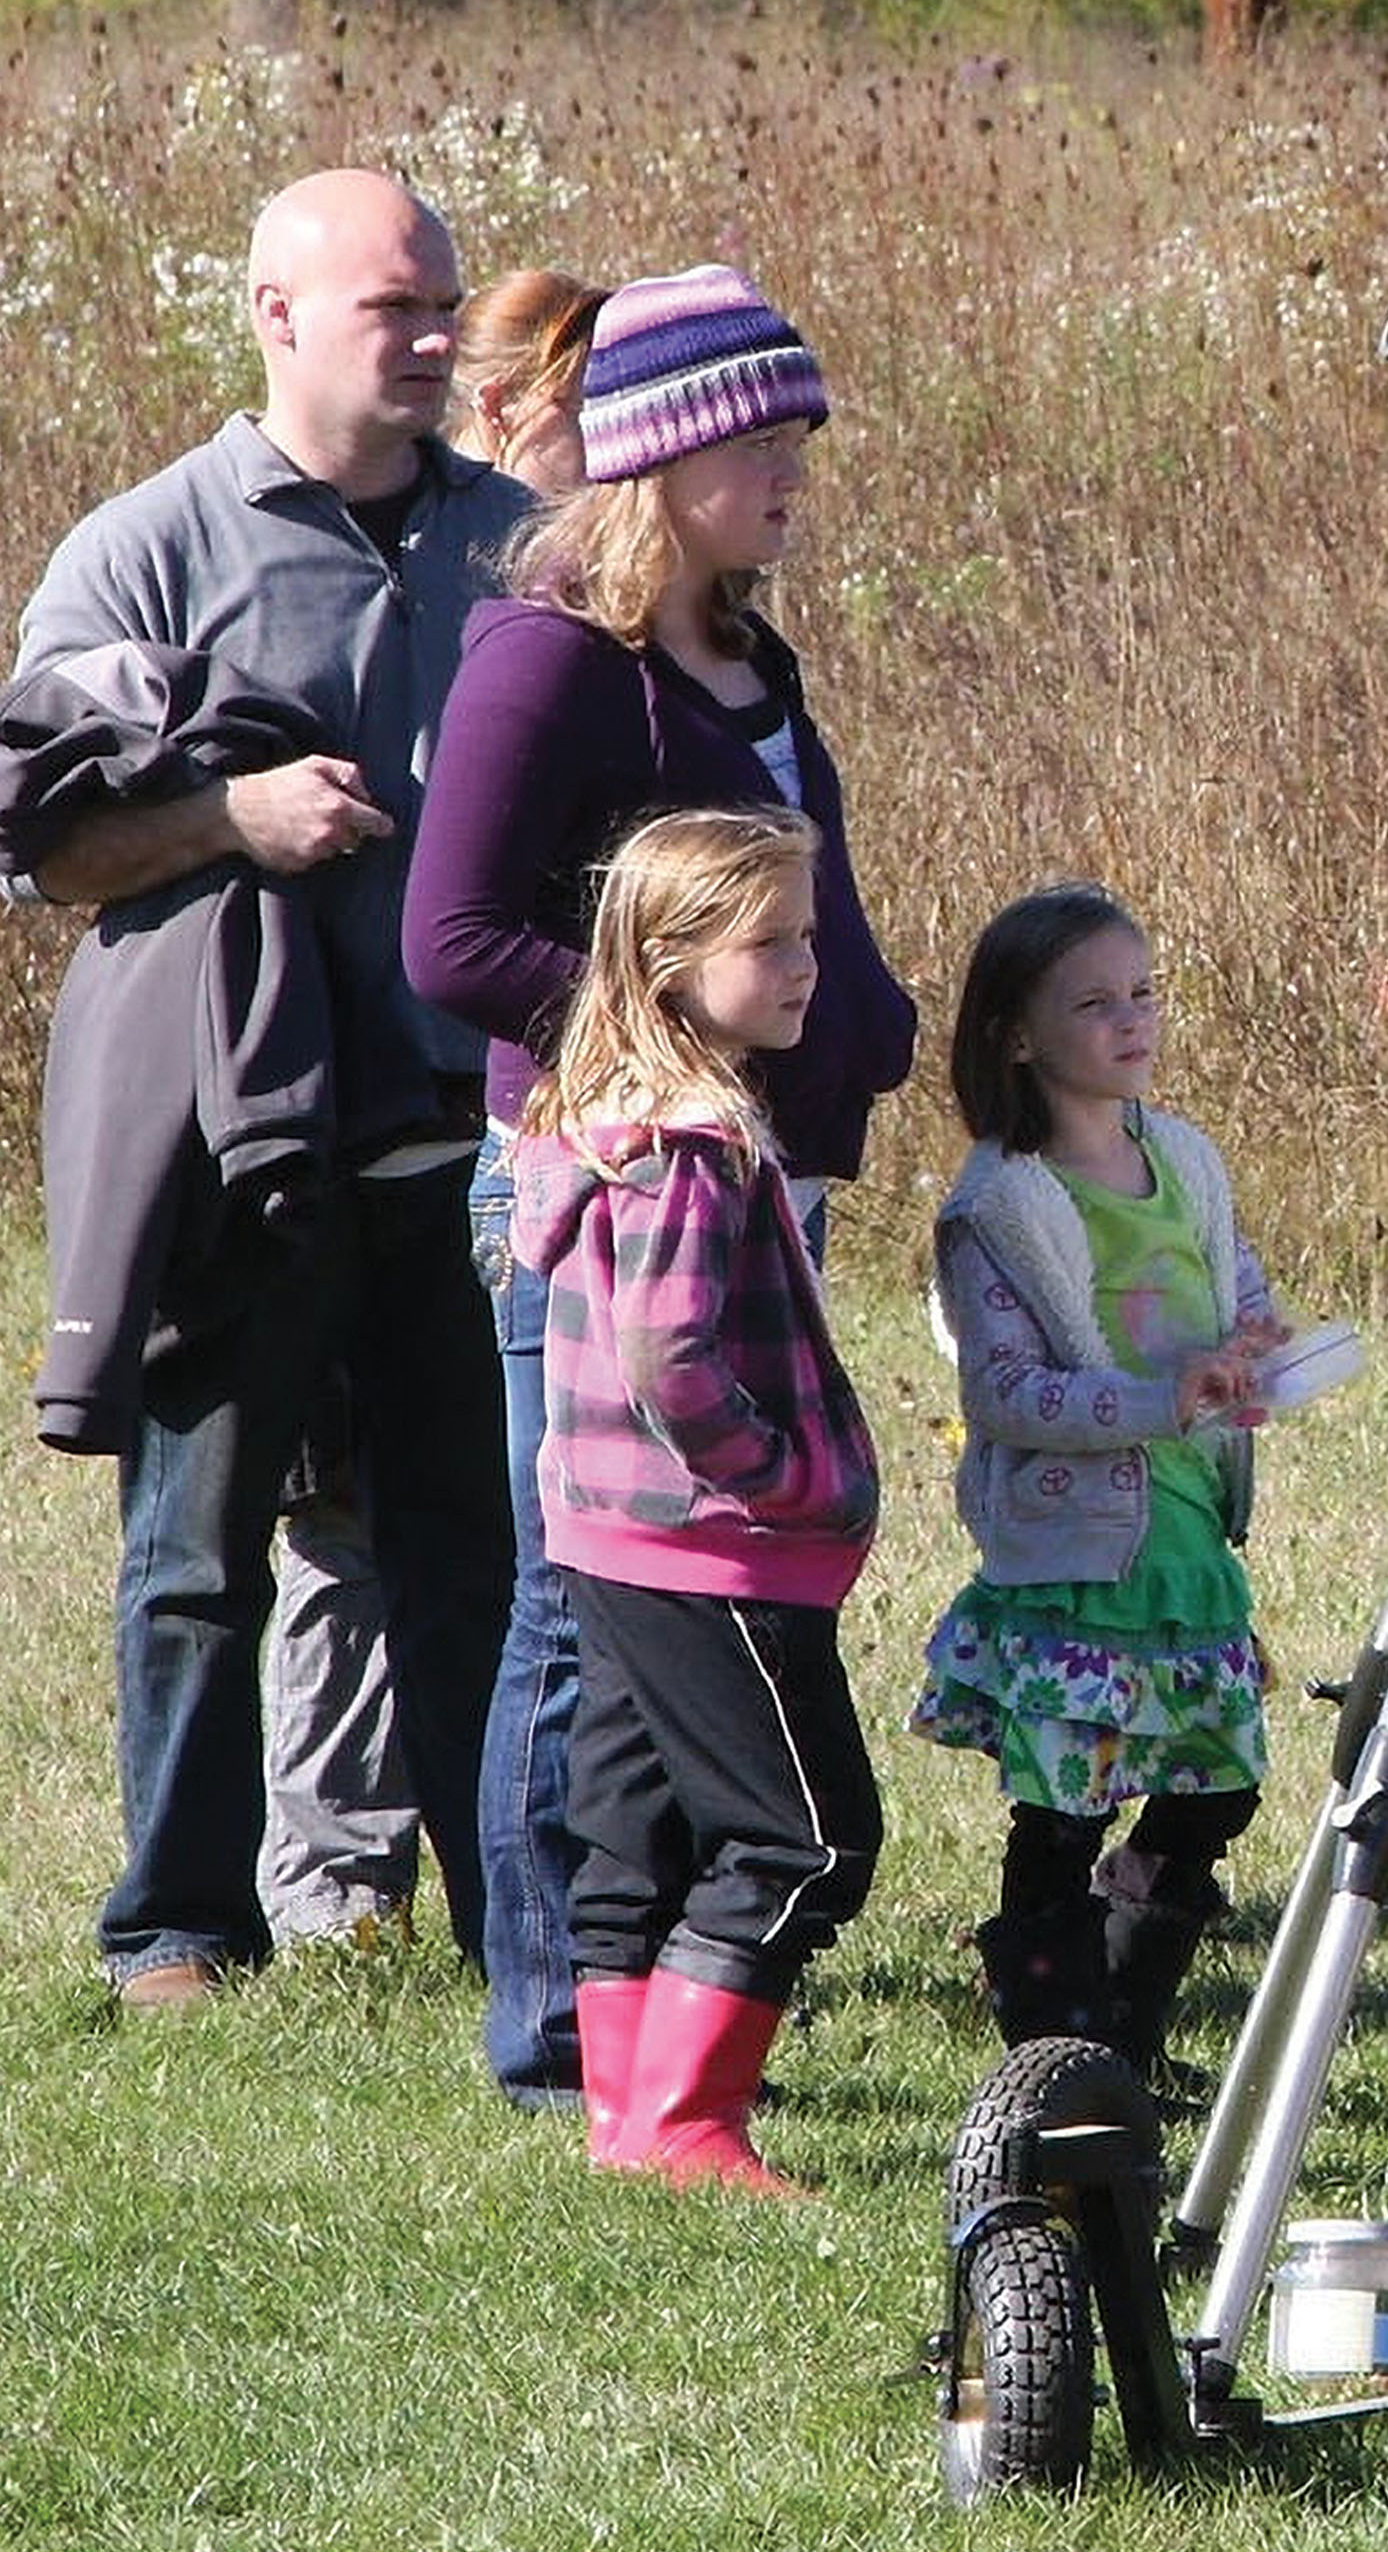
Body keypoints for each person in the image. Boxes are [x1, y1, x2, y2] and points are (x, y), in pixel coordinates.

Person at [7, 169, 528, 2009]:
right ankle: (174, 1927)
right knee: (196, 1554)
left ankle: (513, 1921)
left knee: (479, 1557)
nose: (441, 339)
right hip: (245, 1158)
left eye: (446, 302)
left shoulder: (519, 544)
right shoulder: (149, 550)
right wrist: (229, 817)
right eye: (400, 307)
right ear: (277, 312)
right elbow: (48, 857)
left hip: (476, 1153)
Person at [407, 259, 917, 2106]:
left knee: (701, 1589)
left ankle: (660, 2016)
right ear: (664, 454)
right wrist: (667, 1052)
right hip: (609, 1184)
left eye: (801, 431)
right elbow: (453, 938)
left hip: (752, 1179)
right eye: (761, 435)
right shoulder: (549, 656)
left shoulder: (748, 651)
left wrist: (866, 1023)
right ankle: (557, 2031)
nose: (794, 464)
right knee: (581, 1597)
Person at [251, 263, 613, 1972]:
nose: (606, 458)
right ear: (507, 413)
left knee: (479, 1519)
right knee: (335, 1511)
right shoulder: (460, 559)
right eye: (578, 420)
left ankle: (506, 1869)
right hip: (326, 1096)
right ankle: (334, 1881)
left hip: (493, 1108)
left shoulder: (583, 594)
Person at [507, 806, 883, 2193]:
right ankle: (688, 2125)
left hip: (609, 1542)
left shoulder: (603, 1125)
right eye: (772, 941)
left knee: (637, 1828)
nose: (806, 966)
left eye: (809, 935)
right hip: (717, 1550)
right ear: (671, 963)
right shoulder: (694, 1147)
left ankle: (626, 2120)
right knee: (806, 1834)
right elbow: (673, 1355)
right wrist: (780, 1479)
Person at [912, 886, 1290, 2076]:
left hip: (1185, 1534)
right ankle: (1052, 2045)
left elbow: (1235, 1286)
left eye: (1143, 994)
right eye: (1094, 1003)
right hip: (1079, 1556)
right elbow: (1004, 1393)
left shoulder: (1182, 1156)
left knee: (1216, 1784)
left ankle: (1120, 2020)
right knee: (1067, 1805)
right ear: (1016, 1035)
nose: (1132, 1021)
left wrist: (1260, 1344)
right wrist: (1153, 1400)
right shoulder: (1001, 1205)